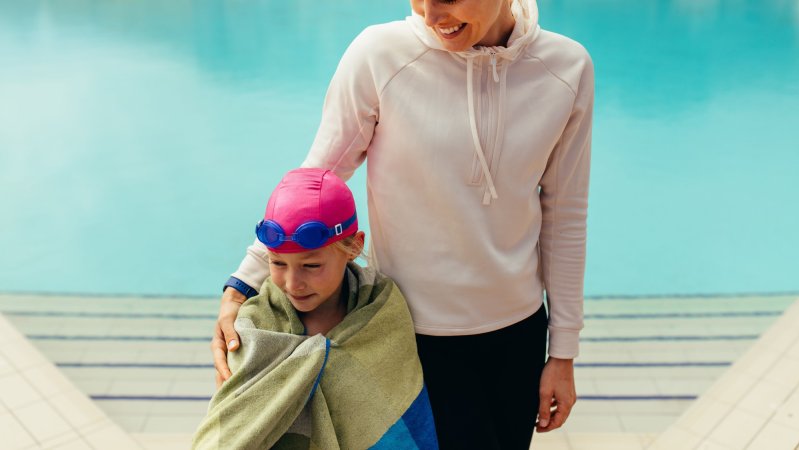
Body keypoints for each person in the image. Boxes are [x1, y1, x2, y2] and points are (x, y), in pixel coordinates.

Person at [213, 0, 593, 448]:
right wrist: (243, 284)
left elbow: (565, 214)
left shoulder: (566, 68)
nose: (432, 17)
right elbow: (319, 179)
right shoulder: (379, 55)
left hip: (518, 336)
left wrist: (563, 351)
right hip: (406, 337)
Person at [195, 168, 437, 449]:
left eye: (311, 266)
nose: (293, 283)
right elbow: (236, 428)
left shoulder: (381, 313)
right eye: (278, 263)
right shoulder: (254, 327)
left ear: (354, 247)